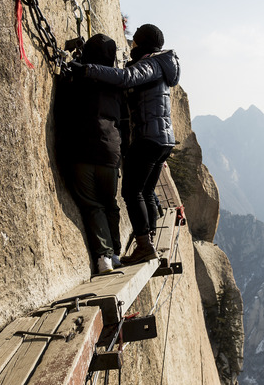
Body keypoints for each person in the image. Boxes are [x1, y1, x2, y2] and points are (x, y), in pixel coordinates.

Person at [70, 23, 180, 265]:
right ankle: (149, 240)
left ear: (141, 44)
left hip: (149, 137)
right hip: (164, 139)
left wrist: (87, 69)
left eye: (135, 43)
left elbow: (126, 77)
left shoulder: (151, 64)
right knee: (147, 191)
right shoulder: (162, 65)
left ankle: (144, 245)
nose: (132, 47)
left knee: (132, 192)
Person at [56, 34, 124, 274]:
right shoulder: (117, 83)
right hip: (110, 153)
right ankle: (115, 253)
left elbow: (63, 102)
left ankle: (103, 257)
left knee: (93, 205)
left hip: (82, 150)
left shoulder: (77, 75)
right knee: (109, 203)